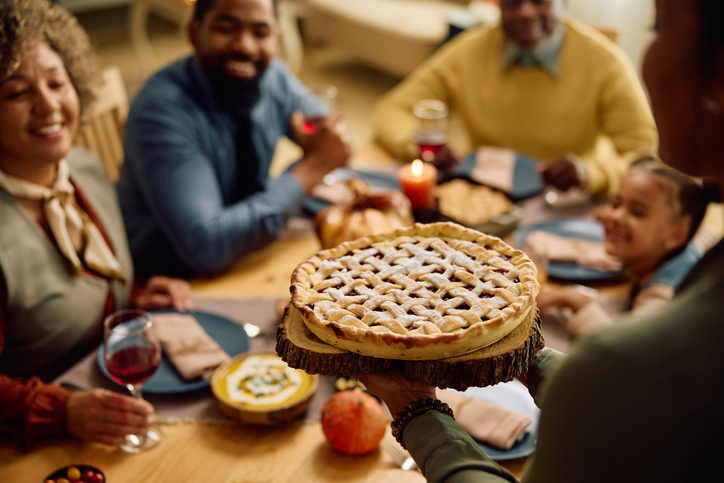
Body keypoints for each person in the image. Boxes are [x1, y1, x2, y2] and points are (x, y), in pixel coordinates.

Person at [359, 0, 724, 480]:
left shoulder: (622, 363)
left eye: (656, 30)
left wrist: (413, 411)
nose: (647, 54)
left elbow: (641, 149)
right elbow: (394, 109)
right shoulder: (471, 49)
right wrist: (522, 353)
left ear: (716, 79)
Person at [0, 0, 193, 451]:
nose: (48, 104)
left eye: (55, 81)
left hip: (108, 396)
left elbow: (75, 282)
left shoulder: (84, 169)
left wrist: (132, 295)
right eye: (16, 92)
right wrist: (62, 411)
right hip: (36, 439)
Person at [117, 0, 351, 280]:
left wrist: (323, 152)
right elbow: (207, 246)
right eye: (226, 29)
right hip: (172, 281)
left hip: (249, 256)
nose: (246, 46)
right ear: (194, 32)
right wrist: (310, 169)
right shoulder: (161, 111)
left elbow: (337, 140)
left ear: (276, 39)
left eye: (261, 33)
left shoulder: (272, 77)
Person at [373, 0, 657, 198]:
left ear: (563, 3)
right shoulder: (470, 50)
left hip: (565, 200)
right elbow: (393, 108)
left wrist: (591, 174)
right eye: (512, 3)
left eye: (539, 1)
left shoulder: (605, 62)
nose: (524, 12)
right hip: (484, 195)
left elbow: (647, 155)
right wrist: (415, 144)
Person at [537, 155, 722, 337]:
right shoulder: (683, 245)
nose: (615, 216)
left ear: (676, 235)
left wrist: (573, 300)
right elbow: (706, 233)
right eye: (616, 204)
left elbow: (621, 347)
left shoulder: (662, 296)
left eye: (637, 212)